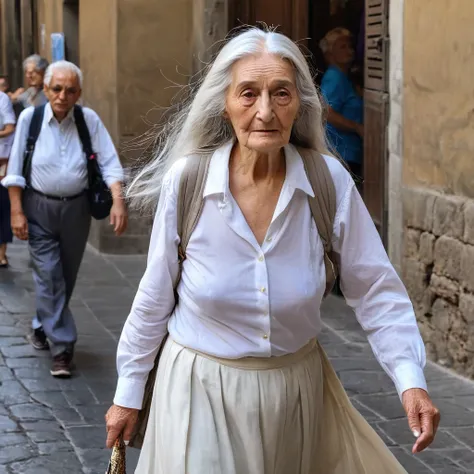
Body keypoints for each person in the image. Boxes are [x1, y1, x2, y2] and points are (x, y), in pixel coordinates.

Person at [105, 28, 440, 473]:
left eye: (281, 94)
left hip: (298, 396)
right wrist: (128, 395)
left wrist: (410, 380)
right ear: (224, 104)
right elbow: (154, 295)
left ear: (299, 104)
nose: (265, 111)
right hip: (199, 390)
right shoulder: (188, 182)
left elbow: (375, 285)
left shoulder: (327, 183)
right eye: (248, 93)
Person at [2, 60, 128, 377]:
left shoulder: (89, 120)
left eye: (70, 90)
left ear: (78, 93)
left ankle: (42, 326)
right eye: (56, 88)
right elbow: (14, 171)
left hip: (77, 210)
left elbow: (111, 162)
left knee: (66, 275)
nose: (62, 95)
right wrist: (17, 211)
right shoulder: (30, 119)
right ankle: (63, 348)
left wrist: (118, 201)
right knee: (48, 273)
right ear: (45, 89)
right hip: (38, 207)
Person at [320, 28, 364, 179]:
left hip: (348, 153)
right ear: (330, 53)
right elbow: (327, 113)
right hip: (341, 152)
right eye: (342, 47)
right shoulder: (334, 77)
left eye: (350, 46)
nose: (350, 51)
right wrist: (357, 128)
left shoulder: (344, 78)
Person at [0, 90, 15, 267]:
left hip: (1, 160)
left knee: (2, 206)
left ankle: (1, 253)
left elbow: (10, 127)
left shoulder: (2, 99)